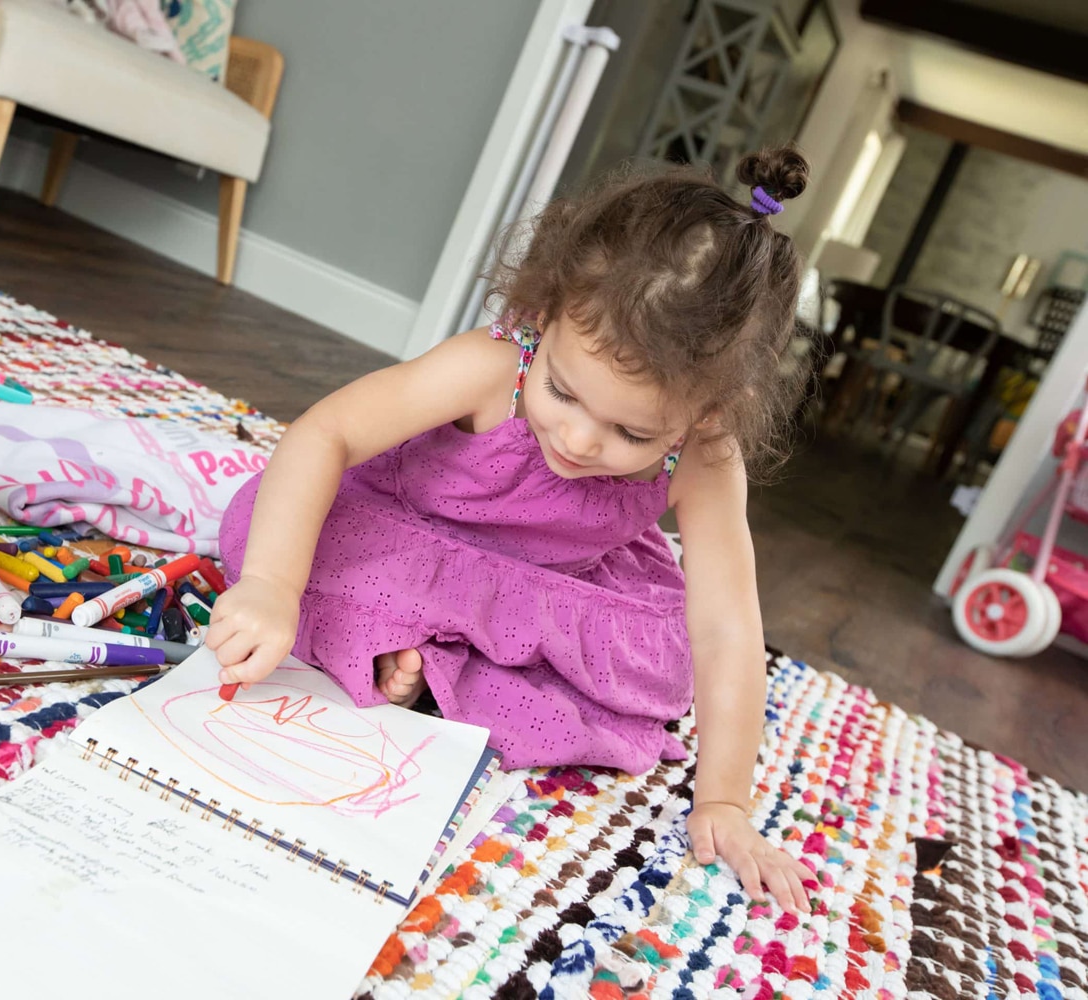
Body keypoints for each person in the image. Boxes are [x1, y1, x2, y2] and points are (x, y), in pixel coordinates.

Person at [209, 147, 815, 914]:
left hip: (547, 586)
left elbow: (728, 627)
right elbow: (326, 433)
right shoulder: (496, 364)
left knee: (661, 665)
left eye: (632, 433)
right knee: (277, 528)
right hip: (410, 536)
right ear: (545, 309)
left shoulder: (705, 453)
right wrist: (270, 587)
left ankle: (427, 665)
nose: (583, 440)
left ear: (710, 411)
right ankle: (419, 656)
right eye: (563, 390)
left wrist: (724, 800)